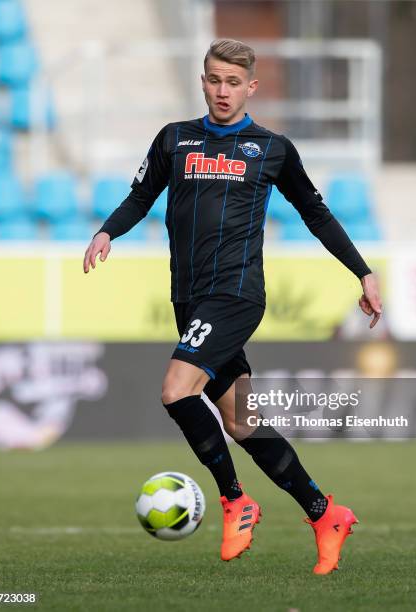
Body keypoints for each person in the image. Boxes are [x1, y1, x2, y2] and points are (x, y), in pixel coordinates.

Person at [83, 38, 382, 575]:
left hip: (236, 294)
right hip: (189, 297)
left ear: (251, 87)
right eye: (214, 80)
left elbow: (317, 214)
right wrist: (108, 232)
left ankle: (234, 499)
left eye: (233, 82)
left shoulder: (272, 149)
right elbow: (141, 196)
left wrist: (362, 271)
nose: (223, 91)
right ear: (203, 81)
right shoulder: (175, 140)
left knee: (176, 391)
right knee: (243, 423)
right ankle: (325, 513)